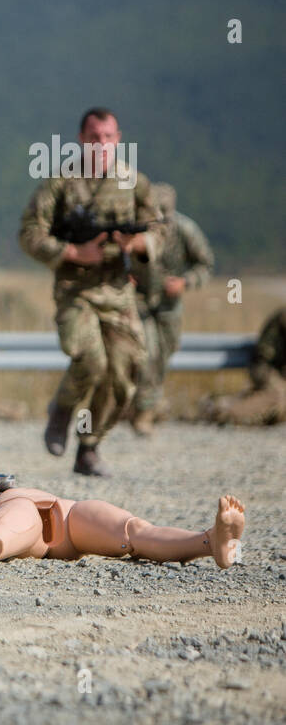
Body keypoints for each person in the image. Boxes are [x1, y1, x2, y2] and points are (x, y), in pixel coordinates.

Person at [19, 107, 165, 477]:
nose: (102, 144)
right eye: (94, 137)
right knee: (90, 359)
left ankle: (89, 447)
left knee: (123, 372)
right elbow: (30, 233)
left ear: (118, 140)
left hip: (117, 290)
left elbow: (161, 231)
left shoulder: (135, 183)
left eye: (109, 137)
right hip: (76, 290)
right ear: (82, 140)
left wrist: (137, 244)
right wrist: (72, 251)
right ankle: (62, 410)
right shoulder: (61, 183)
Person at [0, 481, 245, 569]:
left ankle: (209, 542)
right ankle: (206, 541)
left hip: (50, 519)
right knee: (134, 535)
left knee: (134, 533)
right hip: (55, 513)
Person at [131, 183, 214, 434]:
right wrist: (124, 275)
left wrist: (184, 282)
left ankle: (152, 405)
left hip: (170, 306)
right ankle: (144, 413)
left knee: (165, 353)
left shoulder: (186, 230)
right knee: (147, 352)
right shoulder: (136, 230)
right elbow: (114, 253)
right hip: (140, 302)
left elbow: (205, 265)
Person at [201, 306, 286, 426]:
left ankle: (224, 402)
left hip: (276, 369)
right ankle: (222, 411)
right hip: (265, 367)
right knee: (278, 396)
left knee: (273, 398)